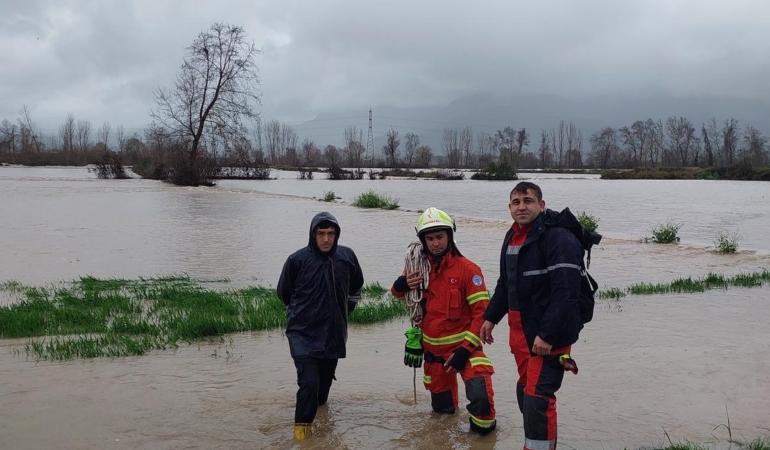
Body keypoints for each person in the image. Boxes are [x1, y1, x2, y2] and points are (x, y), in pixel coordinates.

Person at [480, 181, 586, 450]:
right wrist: (490, 318)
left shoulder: (558, 237)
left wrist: (547, 335)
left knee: (538, 399)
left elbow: (567, 293)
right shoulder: (512, 236)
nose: (522, 206)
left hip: (547, 336)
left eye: (528, 201)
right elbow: (506, 283)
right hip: (521, 333)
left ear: (542, 205)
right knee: (526, 393)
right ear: (509, 208)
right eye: (516, 202)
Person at [391, 207, 497, 435]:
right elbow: (400, 295)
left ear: (450, 236)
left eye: (440, 237)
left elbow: (481, 314)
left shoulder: (468, 270)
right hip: (433, 356)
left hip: (465, 351)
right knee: (442, 415)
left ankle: (483, 439)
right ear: (423, 240)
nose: (436, 243)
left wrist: (464, 351)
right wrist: (400, 285)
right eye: (430, 238)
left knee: (481, 398)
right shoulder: (417, 268)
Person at [277, 212, 364, 441]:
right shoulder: (297, 260)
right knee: (309, 382)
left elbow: (356, 287)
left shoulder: (347, 257)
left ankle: (323, 427)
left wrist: (345, 311)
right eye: (321, 233)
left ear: (336, 235)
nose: (326, 239)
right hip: (302, 333)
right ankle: (302, 437)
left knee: (322, 391)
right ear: (312, 234)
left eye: (330, 234)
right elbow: (284, 293)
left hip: (334, 334)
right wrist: (300, 314)